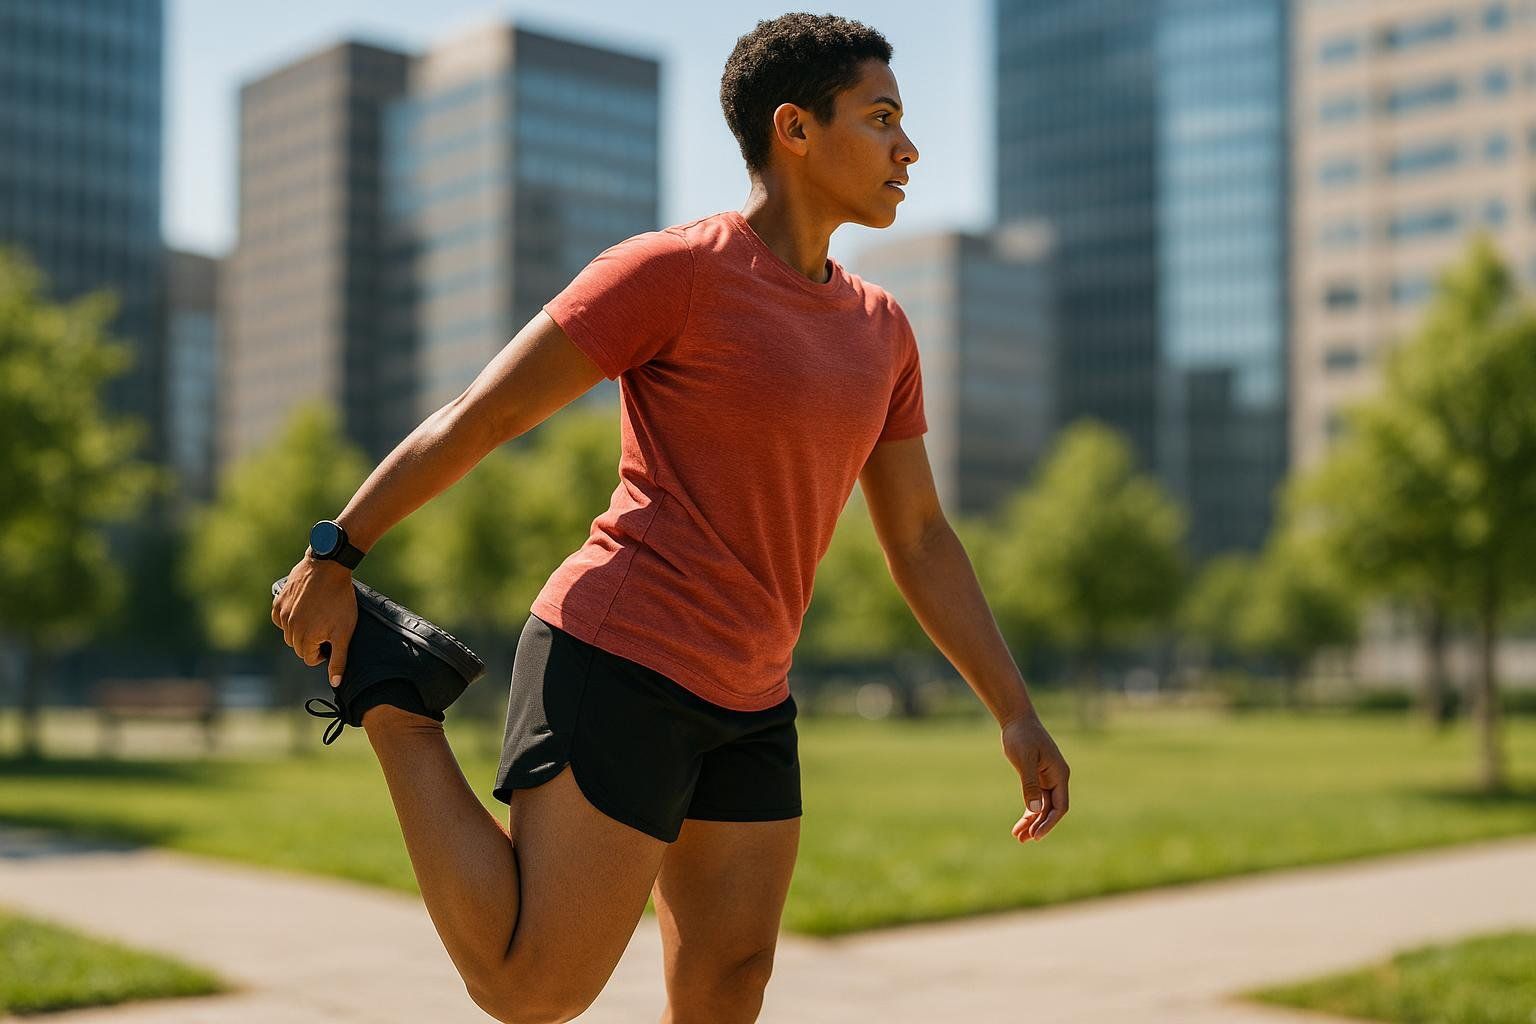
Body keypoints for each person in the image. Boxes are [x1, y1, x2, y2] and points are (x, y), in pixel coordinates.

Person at [270, 12, 1069, 1024]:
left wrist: (1014, 707)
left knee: (730, 981)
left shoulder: (883, 330)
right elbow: (485, 415)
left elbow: (918, 536)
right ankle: (393, 692)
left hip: (753, 691)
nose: (908, 148)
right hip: (622, 656)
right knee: (534, 988)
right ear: (795, 128)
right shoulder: (675, 273)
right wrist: (336, 547)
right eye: (880, 119)